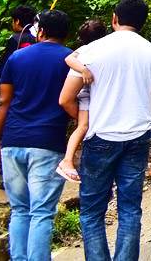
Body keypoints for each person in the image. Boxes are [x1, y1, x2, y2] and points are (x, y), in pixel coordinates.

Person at [59, 0, 151, 261]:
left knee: (91, 212)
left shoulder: (91, 51)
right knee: (130, 210)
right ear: (143, 23)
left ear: (114, 19)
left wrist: (87, 119)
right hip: (138, 136)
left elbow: (65, 98)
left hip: (100, 136)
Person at [0, 9, 71, 261]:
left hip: (12, 142)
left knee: (20, 209)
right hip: (47, 143)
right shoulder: (71, 59)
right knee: (42, 212)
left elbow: (4, 102)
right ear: (67, 33)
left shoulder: (17, 58)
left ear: (40, 31)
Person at [57, 18, 107, 182]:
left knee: (86, 127)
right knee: (83, 126)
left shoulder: (88, 49)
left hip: (92, 94)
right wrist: (84, 70)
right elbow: (69, 59)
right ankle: (67, 161)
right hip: (86, 93)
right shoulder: (88, 50)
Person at [0, 5, 38, 99]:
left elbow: (5, 65)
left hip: (14, 85)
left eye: (13, 20)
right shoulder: (37, 38)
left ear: (17, 21)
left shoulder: (15, 39)